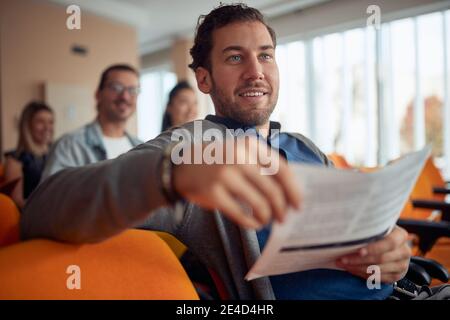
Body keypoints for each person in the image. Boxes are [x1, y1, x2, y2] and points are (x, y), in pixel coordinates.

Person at [21, 4, 411, 299]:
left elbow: (368, 230)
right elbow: (41, 209)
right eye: (235, 57)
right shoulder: (187, 148)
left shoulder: (306, 146)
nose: (255, 71)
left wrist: (392, 247)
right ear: (204, 79)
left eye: (265, 55)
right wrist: (172, 176)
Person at [40, 64, 142, 180]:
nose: (125, 96)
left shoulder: (141, 148)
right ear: (98, 94)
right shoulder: (70, 146)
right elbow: (50, 195)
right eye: (116, 87)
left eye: (133, 90)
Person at [4, 101, 54, 209]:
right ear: (27, 125)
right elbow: (16, 202)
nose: (47, 127)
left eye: (51, 122)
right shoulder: (15, 160)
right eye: (40, 122)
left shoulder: (57, 153)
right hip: (35, 218)